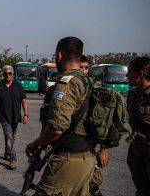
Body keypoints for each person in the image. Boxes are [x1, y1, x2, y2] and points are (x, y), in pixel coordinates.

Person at [25, 37, 95, 195]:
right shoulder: (86, 81)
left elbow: (58, 127)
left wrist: (36, 143)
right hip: (86, 158)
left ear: (59, 56)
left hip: (68, 159)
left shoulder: (67, 82)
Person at [0, 65, 29, 170]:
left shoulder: (18, 86)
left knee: (12, 137)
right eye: (5, 73)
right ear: (2, 74)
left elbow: (24, 100)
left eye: (10, 73)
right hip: (3, 116)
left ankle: (7, 152)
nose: (7, 75)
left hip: (15, 116)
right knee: (9, 136)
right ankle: (13, 159)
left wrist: (26, 114)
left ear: (13, 74)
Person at [81, 55, 109, 196]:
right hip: (67, 146)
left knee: (93, 183)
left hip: (88, 145)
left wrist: (103, 148)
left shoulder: (95, 91)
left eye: (86, 68)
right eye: (81, 67)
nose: (84, 71)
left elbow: (106, 121)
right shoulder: (63, 87)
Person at [126, 57, 150, 196]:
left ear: (140, 74)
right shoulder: (133, 94)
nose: (127, 75)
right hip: (137, 151)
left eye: (130, 71)